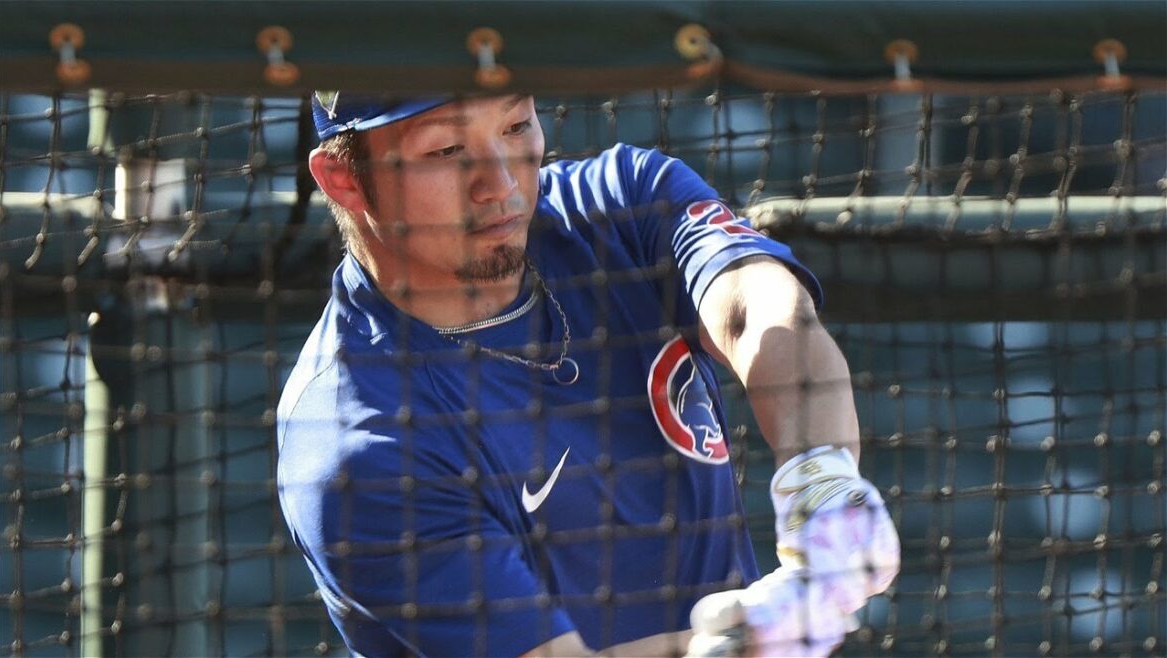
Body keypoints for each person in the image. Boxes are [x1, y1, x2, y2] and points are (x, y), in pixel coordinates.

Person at [277, 90, 900, 658]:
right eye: (445, 150)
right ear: (344, 179)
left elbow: (754, 307)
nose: (501, 181)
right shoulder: (358, 441)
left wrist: (820, 473)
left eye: (518, 124)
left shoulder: (616, 201)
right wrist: (752, 640)